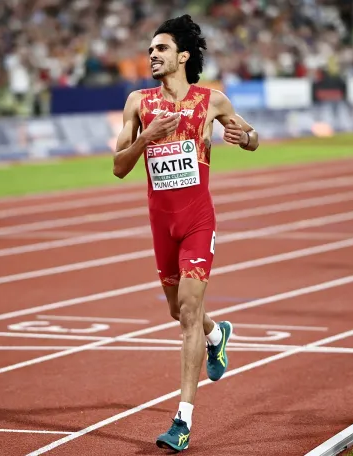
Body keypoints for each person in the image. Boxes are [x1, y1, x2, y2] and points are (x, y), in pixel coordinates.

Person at [112, 14, 260, 452]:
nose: (152, 56)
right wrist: (146, 138)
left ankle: (182, 419)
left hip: (197, 221)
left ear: (182, 56)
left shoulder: (211, 101)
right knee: (179, 312)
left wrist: (244, 136)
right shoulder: (138, 103)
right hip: (162, 225)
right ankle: (218, 336)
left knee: (189, 314)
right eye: (150, 50)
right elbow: (119, 167)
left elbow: (252, 136)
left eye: (160, 49)